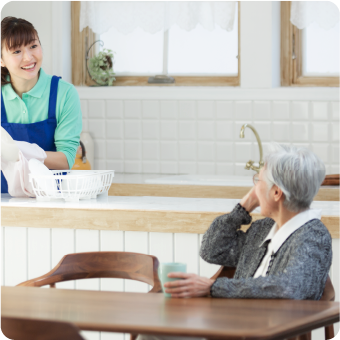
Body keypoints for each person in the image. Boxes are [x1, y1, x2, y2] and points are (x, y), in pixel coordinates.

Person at [137, 143, 332, 340]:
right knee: (152, 333)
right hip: (232, 325)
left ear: (276, 193)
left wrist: (213, 287)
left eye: (259, 180)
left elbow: (290, 288)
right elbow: (212, 250)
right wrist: (243, 207)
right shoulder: (264, 228)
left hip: (264, 332)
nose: (255, 188)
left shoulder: (313, 235)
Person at [0, 16, 82, 193]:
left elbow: (66, 160)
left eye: (33, 46)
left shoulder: (64, 94)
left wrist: (18, 151)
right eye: (16, 52)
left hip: (51, 201)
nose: (29, 58)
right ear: (1, 60)